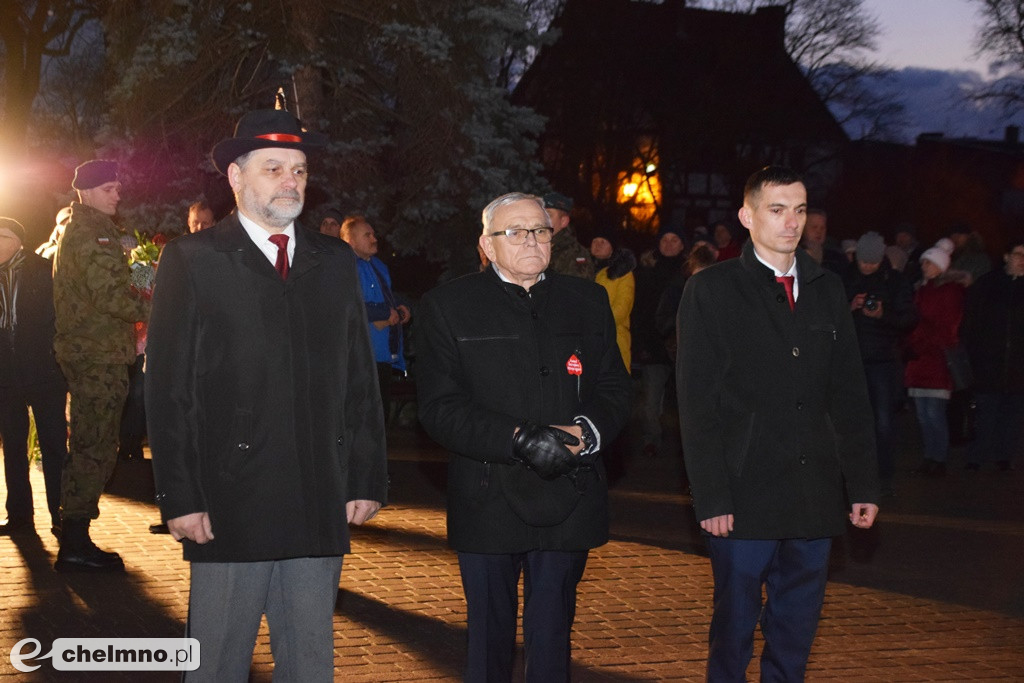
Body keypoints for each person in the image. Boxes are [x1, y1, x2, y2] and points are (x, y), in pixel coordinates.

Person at [145, 108, 388, 680]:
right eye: (274, 168)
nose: (290, 182)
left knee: (309, 660)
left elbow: (358, 375)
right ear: (235, 177)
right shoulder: (194, 259)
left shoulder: (333, 261)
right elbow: (168, 389)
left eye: (299, 171)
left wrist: (365, 475)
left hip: (318, 490)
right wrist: (180, 495)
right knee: (216, 661)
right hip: (230, 497)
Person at [417, 192, 631, 682]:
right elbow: (439, 407)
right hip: (488, 495)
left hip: (568, 494)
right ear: (487, 246)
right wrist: (519, 438)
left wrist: (583, 434)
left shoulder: (587, 300)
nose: (532, 240)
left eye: (540, 230)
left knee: (554, 633)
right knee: (489, 639)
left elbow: (615, 387)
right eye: (515, 232)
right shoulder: (450, 306)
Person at [676, 166, 879, 682]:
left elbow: (850, 393)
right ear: (747, 216)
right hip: (744, 493)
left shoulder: (827, 288)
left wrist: (862, 483)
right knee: (735, 625)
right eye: (777, 209)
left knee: (796, 626)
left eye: (801, 209)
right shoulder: (712, 291)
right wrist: (712, 495)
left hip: (813, 493)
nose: (792, 222)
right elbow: (696, 403)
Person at [52, 159, 151, 571]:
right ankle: (74, 543)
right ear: (88, 191)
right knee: (94, 449)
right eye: (110, 187)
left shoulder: (86, 229)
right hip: (97, 356)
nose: (117, 194)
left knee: (91, 445)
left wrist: (143, 272)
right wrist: (157, 302)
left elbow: (110, 288)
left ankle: (72, 534)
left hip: (94, 352)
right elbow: (112, 297)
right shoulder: (93, 233)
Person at [0, 218, 67, 536]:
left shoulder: (44, 269)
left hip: (44, 372)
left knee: (54, 445)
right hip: (6, 375)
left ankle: (61, 514)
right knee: (13, 447)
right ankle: (19, 517)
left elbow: (60, 318)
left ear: (16, 240)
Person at [843, 231, 919, 496]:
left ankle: (884, 477)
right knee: (849, 424)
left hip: (883, 362)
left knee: (884, 423)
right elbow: (826, 317)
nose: (867, 267)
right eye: (864, 261)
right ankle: (850, 479)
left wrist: (883, 314)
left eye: (873, 262)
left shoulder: (895, 281)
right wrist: (849, 307)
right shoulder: (844, 278)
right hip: (849, 363)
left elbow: (909, 318)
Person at [961, 239, 1024, 472]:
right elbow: (971, 323)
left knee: (1012, 415)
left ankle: (1004, 456)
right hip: (989, 363)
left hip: (1018, 367)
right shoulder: (987, 285)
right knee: (985, 413)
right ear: (1007, 256)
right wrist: (974, 355)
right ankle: (976, 456)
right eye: (1018, 254)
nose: (1022, 260)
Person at [904, 246, 966, 477]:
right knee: (922, 415)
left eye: (929, 263)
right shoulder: (921, 290)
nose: (924, 267)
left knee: (934, 413)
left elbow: (947, 328)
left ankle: (938, 457)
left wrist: (921, 339)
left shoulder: (950, 292)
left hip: (936, 360)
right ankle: (929, 456)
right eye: (923, 263)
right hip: (919, 360)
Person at [340, 214, 410, 421]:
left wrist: (401, 306)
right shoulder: (344, 268)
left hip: (383, 353)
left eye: (373, 234)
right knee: (361, 417)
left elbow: (385, 294)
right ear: (350, 241)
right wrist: (383, 313)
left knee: (380, 415)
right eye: (367, 235)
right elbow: (347, 304)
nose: (374, 238)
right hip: (359, 355)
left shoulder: (378, 266)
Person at [632, 226, 686, 456]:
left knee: (685, 402)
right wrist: (642, 344)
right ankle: (651, 439)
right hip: (654, 346)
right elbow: (640, 311)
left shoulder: (690, 273)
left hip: (683, 347)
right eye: (665, 239)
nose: (669, 244)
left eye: (675, 239)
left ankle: (686, 448)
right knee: (651, 399)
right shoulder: (647, 273)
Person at [590, 232, 636, 370]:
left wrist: (594, 320)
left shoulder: (622, 273)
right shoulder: (581, 269)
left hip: (613, 340)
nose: (598, 245)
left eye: (603, 242)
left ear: (612, 248)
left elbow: (622, 308)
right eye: (595, 241)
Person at [543, 191, 595, 279]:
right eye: (540, 214)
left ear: (563, 221)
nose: (542, 219)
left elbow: (578, 290)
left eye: (549, 215)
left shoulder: (575, 254)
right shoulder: (532, 245)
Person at [801, 208, 847, 275]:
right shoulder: (792, 254)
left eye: (822, 228)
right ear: (803, 229)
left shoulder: (837, 258)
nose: (819, 231)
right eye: (814, 227)